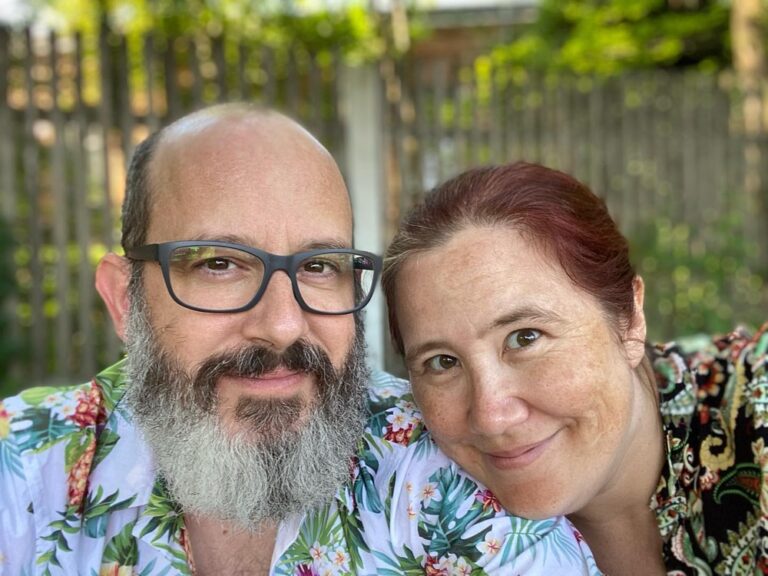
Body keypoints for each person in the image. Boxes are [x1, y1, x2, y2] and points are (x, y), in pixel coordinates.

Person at [0, 106, 599, 575]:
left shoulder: (444, 477)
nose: (284, 325)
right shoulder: (26, 470)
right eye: (218, 264)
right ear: (125, 300)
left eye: (319, 266)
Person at [381, 161, 768, 575]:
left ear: (629, 318)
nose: (492, 416)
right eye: (443, 363)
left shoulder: (756, 410)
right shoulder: (414, 497)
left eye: (525, 337)